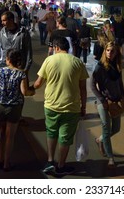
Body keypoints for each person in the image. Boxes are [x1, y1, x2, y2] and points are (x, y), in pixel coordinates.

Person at [32, 37, 88, 176]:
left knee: (51, 132)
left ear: (56, 48)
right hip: (71, 107)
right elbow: (83, 88)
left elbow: (38, 83)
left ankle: (50, 161)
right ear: (67, 47)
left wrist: (29, 88)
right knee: (65, 138)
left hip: (51, 105)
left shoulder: (49, 60)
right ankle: (61, 166)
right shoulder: (77, 62)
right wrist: (83, 107)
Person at [0, 49, 35, 172]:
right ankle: (6, 163)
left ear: (8, 59)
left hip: (0, 106)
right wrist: (32, 91)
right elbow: (24, 92)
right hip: (14, 108)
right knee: (10, 136)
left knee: (1, 134)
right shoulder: (22, 74)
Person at [91, 41, 124, 168]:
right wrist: (102, 99)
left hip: (116, 101)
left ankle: (99, 140)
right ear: (104, 51)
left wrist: (123, 97)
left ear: (116, 52)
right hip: (104, 102)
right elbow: (92, 85)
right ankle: (111, 158)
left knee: (116, 129)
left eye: (112, 51)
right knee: (106, 129)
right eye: (108, 50)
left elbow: (120, 83)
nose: (110, 53)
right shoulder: (100, 67)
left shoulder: (117, 66)